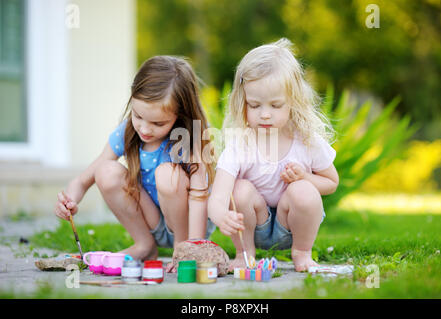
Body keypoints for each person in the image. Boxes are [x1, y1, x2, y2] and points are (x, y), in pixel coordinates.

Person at [55, 56, 216, 270]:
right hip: (154, 222)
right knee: (105, 171)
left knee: (168, 174)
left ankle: (181, 247)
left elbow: (198, 199)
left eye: (158, 123)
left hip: (190, 224)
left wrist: (192, 249)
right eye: (138, 116)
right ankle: (144, 245)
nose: (145, 129)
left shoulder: (190, 139)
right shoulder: (128, 132)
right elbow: (83, 180)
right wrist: (71, 200)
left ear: (180, 115)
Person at [208, 39, 339, 272]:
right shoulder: (241, 143)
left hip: (293, 226)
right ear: (242, 102)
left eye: (276, 105)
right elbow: (219, 194)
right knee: (239, 189)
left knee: (303, 190)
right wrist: (219, 215)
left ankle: (302, 254)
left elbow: (331, 183)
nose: (265, 114)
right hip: (252, 224)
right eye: (255, 105)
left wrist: (305, 178)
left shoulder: (306, 139)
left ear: (294, 102)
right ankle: (244, 255)